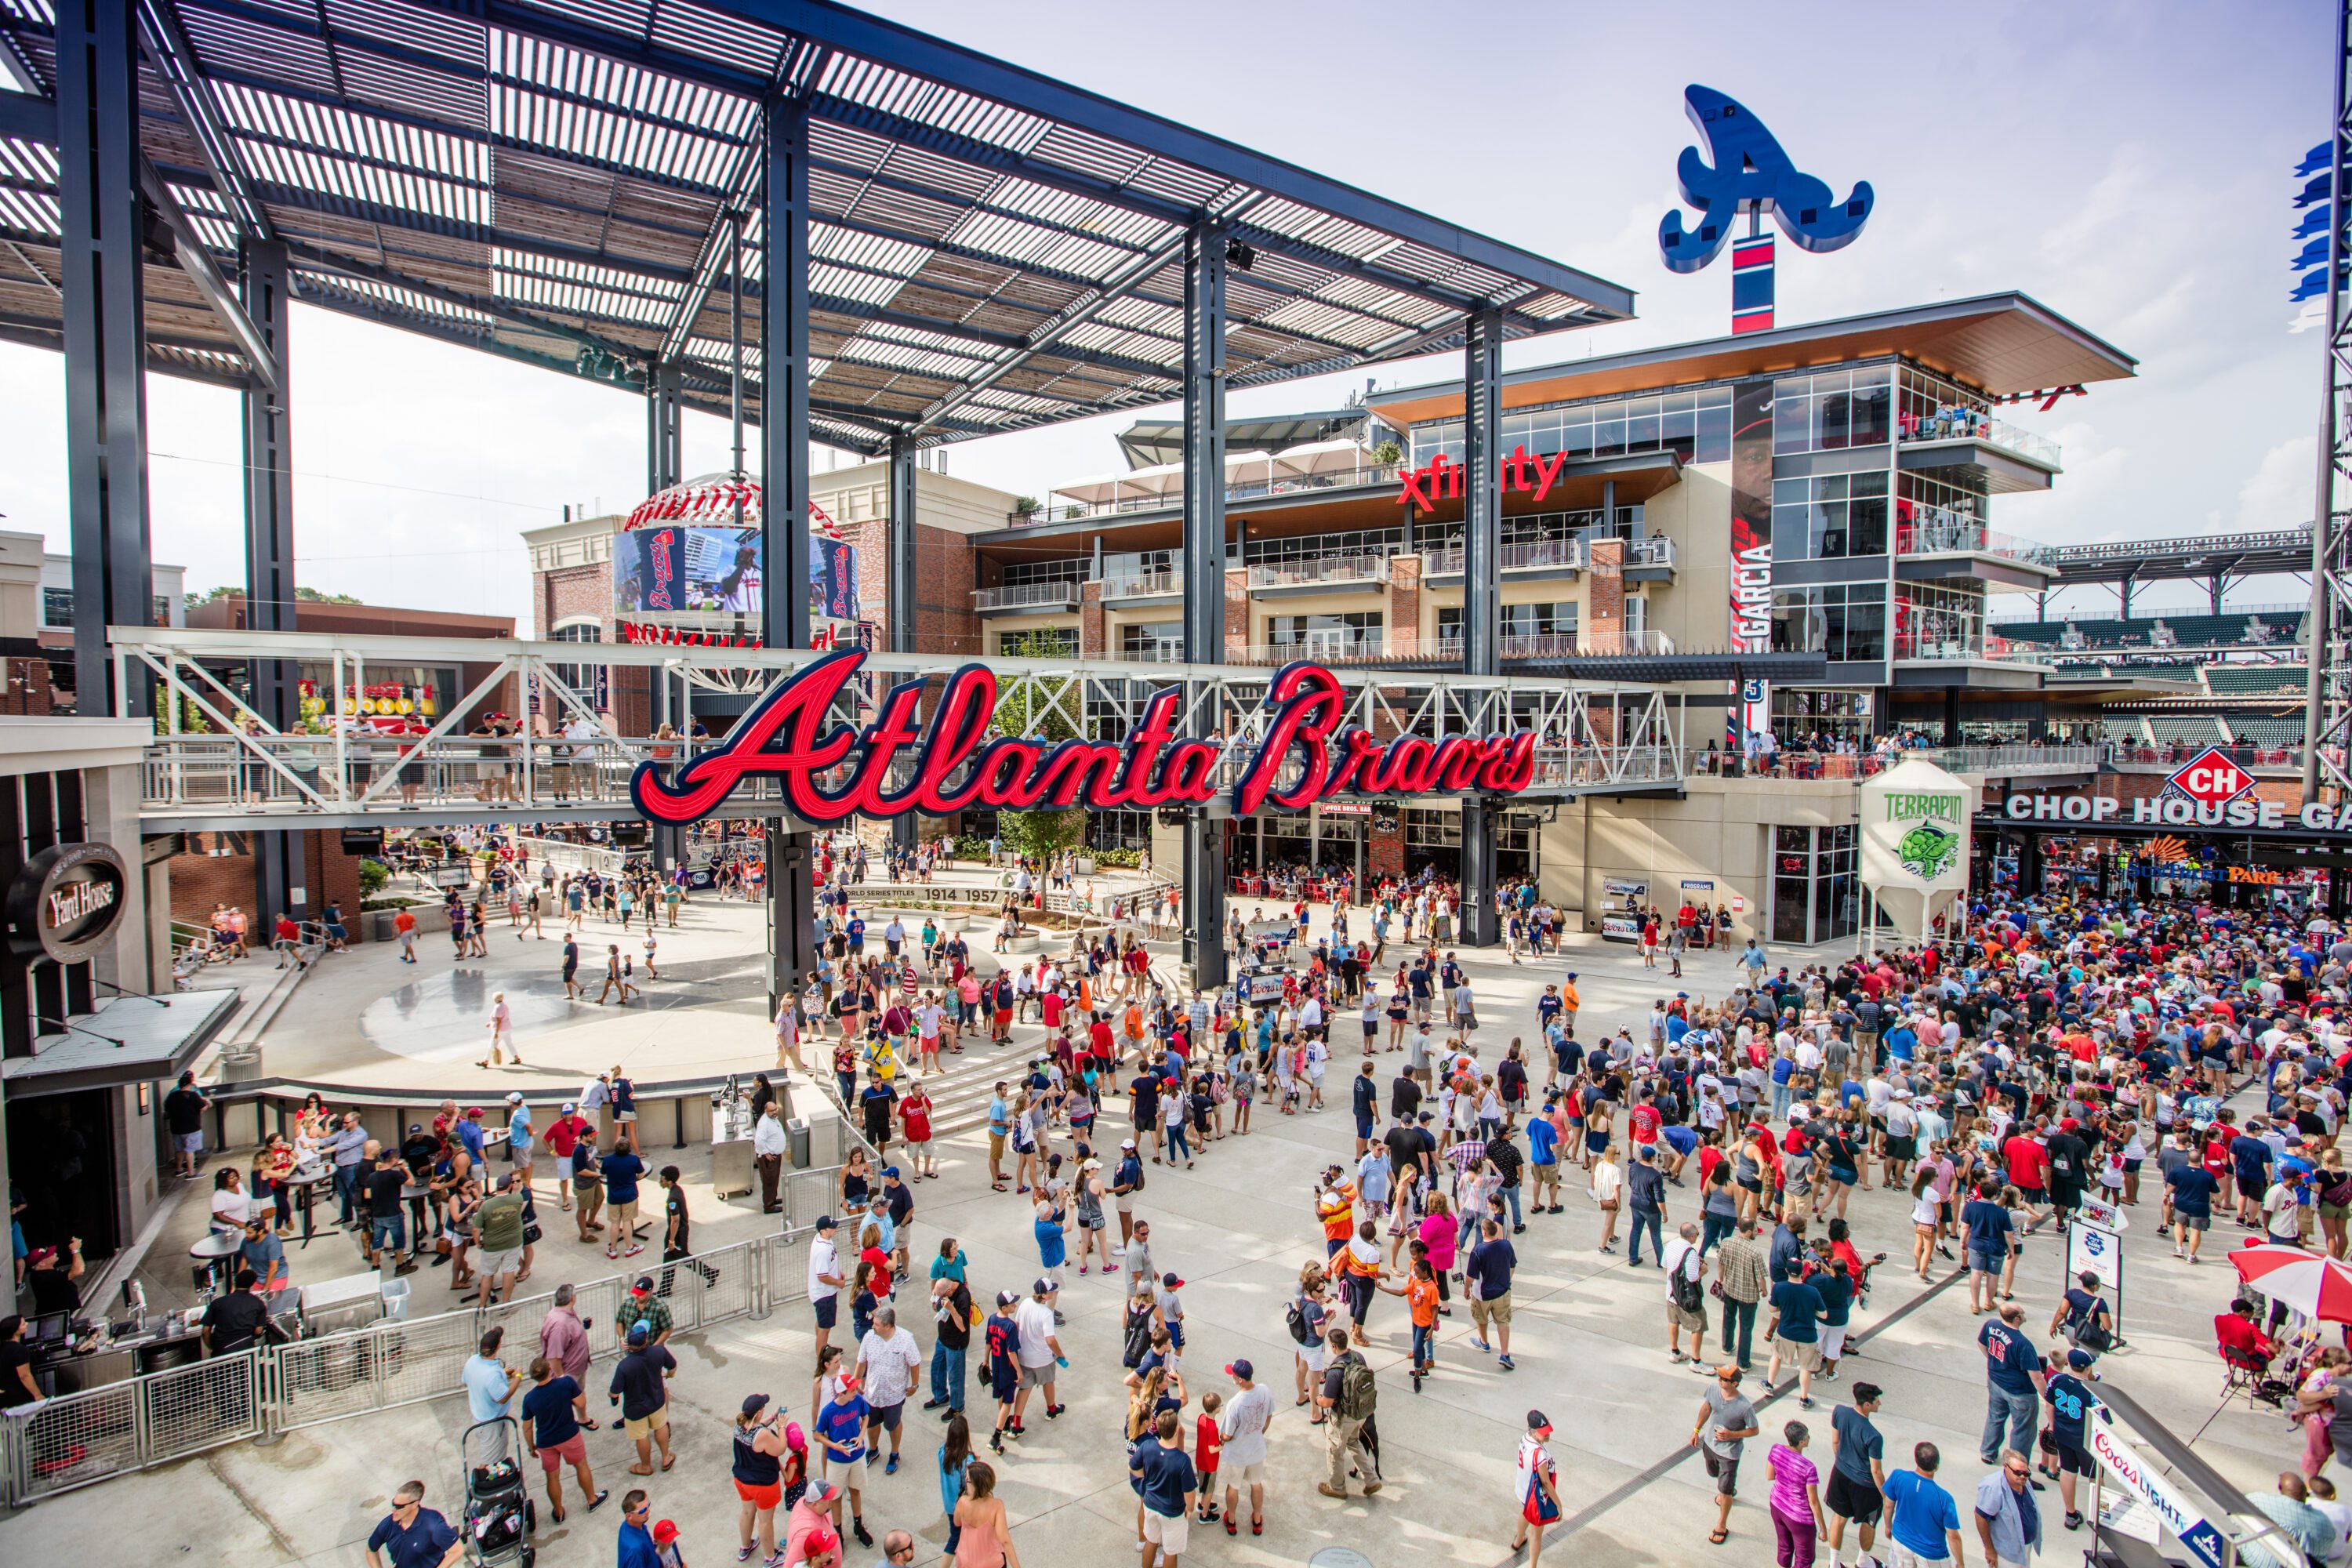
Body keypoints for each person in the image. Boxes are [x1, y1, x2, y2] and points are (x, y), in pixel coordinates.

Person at [520, 1355, 605, 1523]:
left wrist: (531, 1447)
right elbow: (580, 1404)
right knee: (581, 1466)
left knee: (552, 1477)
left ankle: (558, 1512)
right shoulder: (565, 1383)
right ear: (550, 1370)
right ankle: (591, 1499)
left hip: (546, 1441)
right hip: (569, 1435)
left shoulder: (529, 1398)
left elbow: (527, 1427)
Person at [855, 1301, 924, 1475]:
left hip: (894, 1395)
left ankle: (894, 1453)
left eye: (877, 1324)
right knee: (870, 1423)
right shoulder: (869, 1337)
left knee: (893, 1424)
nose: (873, 1326)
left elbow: (915, 1363)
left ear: (888, 1326)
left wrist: (914, 1385)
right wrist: (855, 1383)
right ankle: (873, 1449)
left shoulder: (906, 1339)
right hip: (872, 1394)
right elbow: (861, 1361)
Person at [1695, 1364, 1761, 1546]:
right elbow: (1706, 1408)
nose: (1720, 1380)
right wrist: (1696, 1429)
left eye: (1724, 1379)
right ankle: (1727, 1489)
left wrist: (1731, 1435)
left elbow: (1754, 1430)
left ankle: (1722, 1525)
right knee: (1713, 1473)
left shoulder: (1744, 1407)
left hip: (1729, 1454)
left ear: (1735, 1384)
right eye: (1720, 1377)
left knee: (1724, 1490)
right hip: (1710, 1444)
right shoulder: (1713, 1389)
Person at [1315, 1326, 1381, 1500]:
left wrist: (1317, 1400)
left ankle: (1337, 1488)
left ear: (1334, 1346)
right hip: (1361, 1412)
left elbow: (1327, 1401)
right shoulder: (1358, 1357)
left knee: (1334, 1450)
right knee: (1353, 1442)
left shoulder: (1335, 1371)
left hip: (1343, 1417)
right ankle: (1372, 1479)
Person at [1826, 1384, 1888, 1568]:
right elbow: (1876, 1471)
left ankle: (1834, 1563)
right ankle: (1863, 1562)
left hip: (1839, 1474)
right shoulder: (1874, 1436)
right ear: (1867, 1405)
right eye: (1877, 1400)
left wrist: (1844, 1463)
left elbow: (1835, 1443)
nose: (1880, 1403)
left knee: (1839, 1517)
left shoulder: (1839, 1412)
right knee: (1869, 1521)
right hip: (1865, 1484)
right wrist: (1886, 1496)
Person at [1976, 1305, 2045, 1467]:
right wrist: (2048, 1397)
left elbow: (1981, 1344)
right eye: (2022, 1314)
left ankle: (1988, 1452)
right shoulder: (2023, 1344)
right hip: (2020, 1393)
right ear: (2016, 1319)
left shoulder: (1991, 1325)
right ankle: (2016, 1465)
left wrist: (1995, 1362)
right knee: (2023, 1429)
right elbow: (2036, 1376)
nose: (2024, 1315)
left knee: (1995, 1417)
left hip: (1995, 1381)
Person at [608, 1321, 677, 1475]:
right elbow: (672, 1367)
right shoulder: (659, 1352)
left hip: (635, 1408)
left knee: (641, 1436)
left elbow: (615, 1392)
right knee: (661, 1427)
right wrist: (669, 1375)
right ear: (646, 1340)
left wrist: (612, 1397)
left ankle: (646, 1466)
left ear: (629, 1344)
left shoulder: (624, 1366)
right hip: (657, 1399)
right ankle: (666, 1457)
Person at [2040, 1350, 2099, 1531]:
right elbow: (2102, 1420)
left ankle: (2070, 1514)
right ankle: (2099, 1515)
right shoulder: (2093, 1391)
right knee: (2095, 1477)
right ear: (2088, 1368)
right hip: (2086, 1441)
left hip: (2063, 1435)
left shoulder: (2056, 1381)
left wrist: (2052, 1426)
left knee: (2067, 1472)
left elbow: (2049, 1406)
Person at [731, 1392, 793, 1564]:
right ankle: (770, 1558)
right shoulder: (763, 1435)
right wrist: (781, 1426)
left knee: (747, 1511)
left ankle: (745, 1547)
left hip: (742, 1479)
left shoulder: (739, 1426)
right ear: (758, 1412)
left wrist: (772, 1417)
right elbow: (780, 1448)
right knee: (765, 1521)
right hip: (762, 1484)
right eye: (763, 1408)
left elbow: (757, 1426)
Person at [1132, 1408, 1197, 1568]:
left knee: (1151, 1541)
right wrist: (1189, 1509)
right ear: (1176, 1430)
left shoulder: (1147, 1446)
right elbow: (1189, 1491)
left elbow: (1133, 1468)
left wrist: (1145, 1483)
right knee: (1170, 1551)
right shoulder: (1182, 1460)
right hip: (1172, 1513)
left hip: (1150, 1505)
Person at [1883, 1443, 1963, 1568]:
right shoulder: (1945, 1499)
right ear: (1936, 1466)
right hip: (1931, 1555)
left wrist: (1888, 1527)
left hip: (1900, 1542)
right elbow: (1953, 1536)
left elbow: (1888, 1505)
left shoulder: (1898, 1477)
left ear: (1916, 1460)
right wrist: (1961, 1563)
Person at [1769, 1419, 1829, 1568]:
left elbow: (1770, 1475)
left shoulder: (1776, 1450)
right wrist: (1822, 1528)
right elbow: (1813, 1502)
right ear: (1802, 1442)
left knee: (1785, 1547)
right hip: (1799, 1519)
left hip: (1777, 1505)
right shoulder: (1808, 1468)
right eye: (1807, 1436)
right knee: (1804, 1559)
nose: (1809, 1438)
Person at [365, 1482, 466, 1568]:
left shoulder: (433, 1524)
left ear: (414, 1504)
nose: (393, 1510)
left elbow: (457, 1550)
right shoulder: (388, 1524)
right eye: (393, 1504)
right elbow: (370, 1550)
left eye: (399, 1506)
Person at [1510, 1409, 1564, 1565]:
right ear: (1533, 1432)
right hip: (1535, 1495)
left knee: (1525, 1512)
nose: (1547, 1435)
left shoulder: (1525, 1438)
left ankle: (1518, 1540)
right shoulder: (1539, 1453)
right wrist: (1558, 1505)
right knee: (1536, 1534)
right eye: (1543, 1432)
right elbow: (1545, 1482)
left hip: (1523, 1490)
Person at [1973, 1450, 2044, 1568]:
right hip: (2006, 1555)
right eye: (2018, 1472)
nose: (2023, 1476)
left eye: (2026, 1473)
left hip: (2024, 1549)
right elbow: (1980, 1516)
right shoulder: (1993, 1487)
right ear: (2005, 1467)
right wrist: (1989, 1549)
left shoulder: (2023, 1481)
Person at [951, 1459, 1022, 1568]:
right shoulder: (997, 1506)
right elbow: (1005, 1541)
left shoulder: (962, 1502)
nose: (965, 1481)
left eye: (967, 1479)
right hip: (992, 1562)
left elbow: (957, 1522)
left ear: (975, 1485)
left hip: (966, 1561)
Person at [463, 1325, 517, 1423]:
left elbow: (467, 1382)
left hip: (478, 1419)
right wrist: (518, 1377)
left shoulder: (472, 1360)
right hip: (492, 1424)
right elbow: (503, 1398)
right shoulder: (493, 1373)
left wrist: (503, 1375)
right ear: (498, 1346)